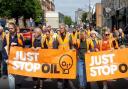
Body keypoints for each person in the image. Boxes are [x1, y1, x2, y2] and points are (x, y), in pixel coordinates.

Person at [3, 23, 24, 89]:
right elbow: (3, 47)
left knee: (18, 74)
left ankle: (18, 85)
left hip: (18, 58)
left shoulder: (19, 36)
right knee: (10, 74)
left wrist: (17, 44)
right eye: (9, 28)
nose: (10, 29)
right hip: (10, 58)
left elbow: (23, 47)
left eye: (11, 28)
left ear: (15, 28)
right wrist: (6, 58)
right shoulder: (6, 36)